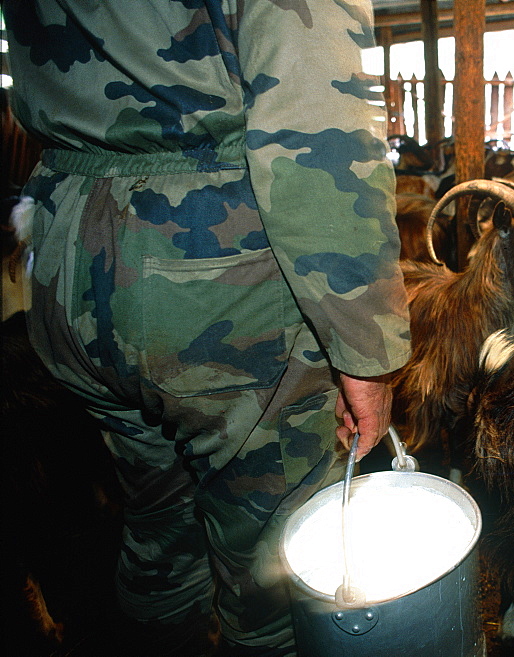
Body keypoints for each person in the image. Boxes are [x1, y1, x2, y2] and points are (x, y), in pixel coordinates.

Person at [5, 1, 411, 655]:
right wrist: (364, 349)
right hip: (208, 264)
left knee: (158, 524)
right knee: (273, 571)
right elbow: (316, 122)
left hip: (64, 249)